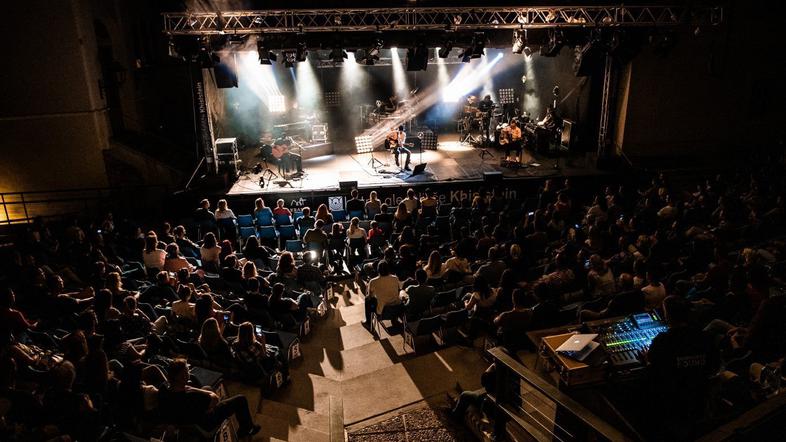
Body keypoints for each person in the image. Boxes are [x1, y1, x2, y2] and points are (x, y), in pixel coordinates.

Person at [644, 296, 718, 439]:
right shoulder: (705, 337)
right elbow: (713, 365)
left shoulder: (662, 340)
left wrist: (646, 359)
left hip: (672, 399)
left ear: (667, 316)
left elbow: (654, 366)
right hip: (700, 396)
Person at [158, 359, 261, 437]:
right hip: (206, 422)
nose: (189, 373)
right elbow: (215, 398)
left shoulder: (164, 389)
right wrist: (196, 390)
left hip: (186, 418)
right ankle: (246, 429)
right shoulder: (192, 396)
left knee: (207, 388)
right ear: (181, 377)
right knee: (240, 399)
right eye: (187, 371)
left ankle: (209, 406)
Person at [363, 260, 402, 327]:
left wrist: (368, 286)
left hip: (383, 312)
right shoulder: (395, 278)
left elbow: (369, 296)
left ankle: (368, 322)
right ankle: (394, 320)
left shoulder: (373, 281)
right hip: (397, 309)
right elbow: (398, 290)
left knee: (367, 299)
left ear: (378, 270)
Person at [493, 289, 533, 353]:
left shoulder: (505, 315)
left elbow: (495, 322)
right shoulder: (530, 313)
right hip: (523, 342)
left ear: (513, 300)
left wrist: (497, 317)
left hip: (509, 344)